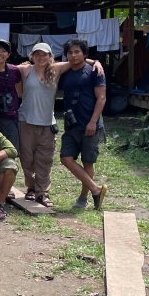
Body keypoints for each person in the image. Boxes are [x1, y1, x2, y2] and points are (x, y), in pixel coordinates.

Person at [11, 42, 106, 209]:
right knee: (27, 159)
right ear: (32, 56)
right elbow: (6, 67)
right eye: (37, 54)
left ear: (50, 57)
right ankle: (31, 187)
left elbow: (79, 60)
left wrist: (95, 62)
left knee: (45, 160)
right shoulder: (25, 70)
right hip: (25, 120)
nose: (41, 58)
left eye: (44, 54)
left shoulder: (56, 69)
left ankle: (42, 192)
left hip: (48, 122)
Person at [59, 38, 109, 210]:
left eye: (77, 52)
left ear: (84, 53)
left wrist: (93, 122)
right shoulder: (65, 71)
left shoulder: (94, 71)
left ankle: (83, 197)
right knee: (65, 158)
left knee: (88, 162)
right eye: (70, 52)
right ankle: (96, 189)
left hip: (90, 124)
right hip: (71, 124)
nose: (73, 55)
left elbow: (101, 98)